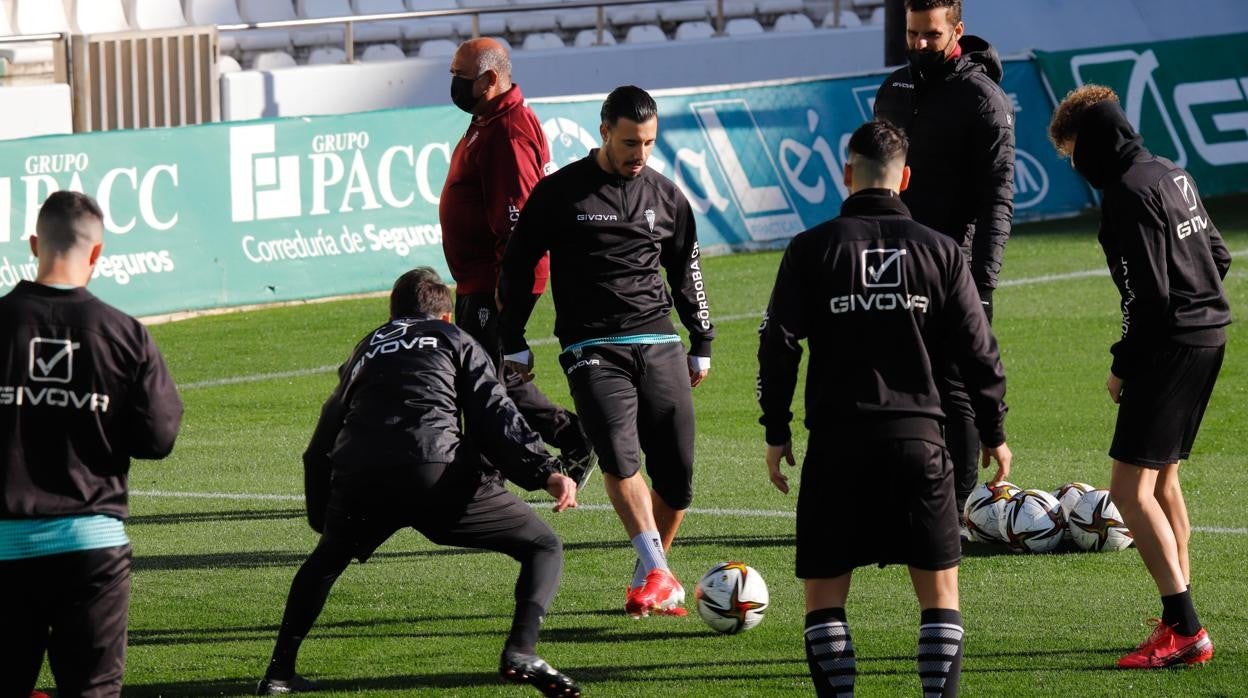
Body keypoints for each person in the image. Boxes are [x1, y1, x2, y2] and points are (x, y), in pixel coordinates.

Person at [757, 120, 1011, 697]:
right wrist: (995, 429)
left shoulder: (811, 248)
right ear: (906, 179)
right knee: (940, 598)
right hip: (920, 444)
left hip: (837, 445)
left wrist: (776, 430)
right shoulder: (942, 252)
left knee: (824, 599)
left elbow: (778, 343)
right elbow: (980, 352)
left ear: (847, 176)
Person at [257, 268, 581, 696]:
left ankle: (278, 674)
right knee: (543, 545)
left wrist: (325, 515)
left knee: (324, 562)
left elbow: (322, 436)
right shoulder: (455, 339)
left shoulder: (365, 349)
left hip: (361, 475)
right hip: (435, 470)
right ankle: (521, 650)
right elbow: (493, 410)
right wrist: (546, 472)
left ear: (393, 315)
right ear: (445, 316)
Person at [497, 85, 714, 618]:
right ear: (603, 132)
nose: (639, 155)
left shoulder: (665, 195)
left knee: (678, 479)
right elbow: (520, 265)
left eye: (648, 143)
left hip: (659, 339)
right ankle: (661, 572)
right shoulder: (559, 193)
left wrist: (701, 339)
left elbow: (687, 267)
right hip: (591, 344)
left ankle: (648, 579)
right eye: (629, 143)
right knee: (620, 454)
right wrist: (514, 338)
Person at [1048, 85, 1229, 669]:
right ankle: (1180, 614)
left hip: (1170, 343)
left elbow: (1146, 296)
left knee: (1129, 491)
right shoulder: (1171, 172)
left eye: (1071, 152)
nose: (1074, 166)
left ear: (1090, 141)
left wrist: (1124, 364)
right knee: (1163, 481)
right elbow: (1218, 256)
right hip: (1209, 334)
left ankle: (1184, 628)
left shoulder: (1126, 192)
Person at [0, 191, 183, 697]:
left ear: (35, 244)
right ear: (98, 253)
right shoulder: (125, 335)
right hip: (91, 549)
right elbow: (158, 438)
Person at [873, 0, 1015, 521]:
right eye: (912, 34)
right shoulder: (893, 89)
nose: (919, 44)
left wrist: (982, 282)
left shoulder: (983, 101)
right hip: (890, 262)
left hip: (953, 269)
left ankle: (952, 511)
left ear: (957, 29)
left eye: (931, 35)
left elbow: (998, 198)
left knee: (955, 390)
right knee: (891, 382)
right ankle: (897, 495)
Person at [439, 37, 596, 489]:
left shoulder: (507, 131)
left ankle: (491, 475)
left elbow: (518, 228)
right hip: (479, 280)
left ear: (489, 79)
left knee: (482, 384)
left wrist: (507, 305)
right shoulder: (488, 119)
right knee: (494, 378)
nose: (452, 83)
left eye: (459, 75)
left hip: (492, 282)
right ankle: (571, 439)